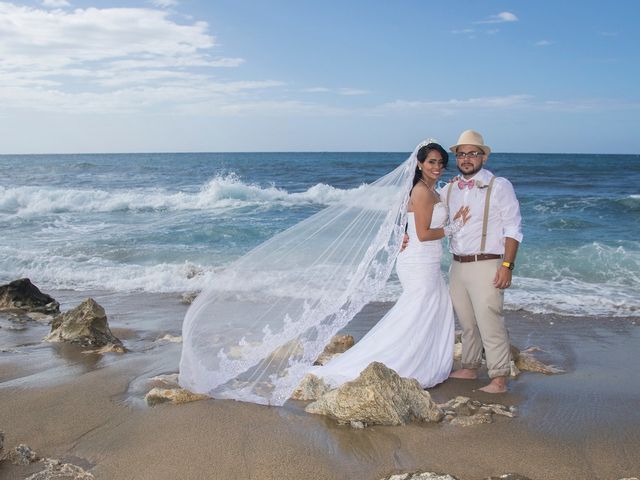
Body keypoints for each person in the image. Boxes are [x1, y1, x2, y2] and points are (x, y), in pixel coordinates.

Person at [312, 141, 470, 389]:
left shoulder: (432, 191)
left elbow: (407, 223)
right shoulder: (421, 191)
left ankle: (422, 362)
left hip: (425, 260)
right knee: (417, 311)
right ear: (419, 163)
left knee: (429, 309)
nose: (437, 166)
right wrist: (455, 226)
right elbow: (425, 233)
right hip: (418, 261)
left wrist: (403, 234)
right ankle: (396, 362)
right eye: (431, 162)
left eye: (441, 162)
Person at [443, 130, 523, 393]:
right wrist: (409, 236)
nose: (466, 159)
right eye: (461, 154)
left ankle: (499, 378)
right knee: (467, 322)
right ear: (456, 157)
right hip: (457, 265)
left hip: (488, 263)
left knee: (490, 321)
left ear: (484, 157)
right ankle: (469, 366)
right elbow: (429, 216)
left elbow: (513, 229)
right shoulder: (450, 188)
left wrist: (507, 266)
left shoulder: (500, 185)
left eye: (473, 153)